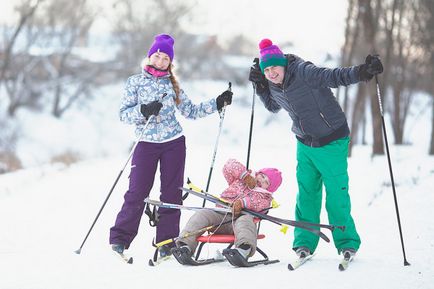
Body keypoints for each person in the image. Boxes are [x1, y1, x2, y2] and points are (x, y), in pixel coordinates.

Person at [248, 38, 383, 259]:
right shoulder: (272, 83)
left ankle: (347, 241)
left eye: (274, 68)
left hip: (332, 140)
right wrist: (261, 87)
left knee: (336, 195)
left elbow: (334, 76)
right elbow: (273, 106)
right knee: (307, 195)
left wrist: (362, 72)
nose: (271, 73)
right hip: (305, 143)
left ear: (283, 63)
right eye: (267, 70)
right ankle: (304, 242)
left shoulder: (303, 72)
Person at [109, 34, 233, 257]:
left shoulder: (173, 86)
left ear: (170, 62)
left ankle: (166, 242)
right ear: (149, 57)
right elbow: (123, 115)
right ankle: (120, 239)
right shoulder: (135, 82)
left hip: (173, 143)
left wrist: (217, 103)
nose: (160, 61)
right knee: (137, 191)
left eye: (165, 58)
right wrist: (144, 111)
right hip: (146, 143)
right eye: (157, 56)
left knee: (172, 195)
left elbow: (191, 111)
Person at [173, 158, 282, 262]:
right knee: (202, 214)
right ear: (257, 173)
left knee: (245, 220)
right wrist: (244, 176)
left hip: (237, 225)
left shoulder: (265, 198)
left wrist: (242, 203)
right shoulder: (241, 179)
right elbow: (228, 165)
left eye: (266, 182)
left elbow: (259, 205)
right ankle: (185, 246)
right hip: (219, 217)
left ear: (269, 189)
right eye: (262, 176)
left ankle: (243, 250)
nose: (261, 180)